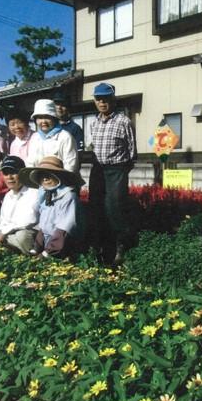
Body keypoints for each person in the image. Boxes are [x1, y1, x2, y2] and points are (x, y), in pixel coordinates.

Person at [88, 82, 137, 265]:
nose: (102, 102)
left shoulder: (124, 121)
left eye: (106, 99)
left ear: (113, 99)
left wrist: (122, 170)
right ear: (95, 100)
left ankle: (121, 245)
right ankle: (100, 246)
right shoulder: (93, 122)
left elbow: (132, 151)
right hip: (98, 169)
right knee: (96, 206)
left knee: (115, 207)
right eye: (99, 99)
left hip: (117, 169)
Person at [19, 156, 84, 259]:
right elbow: (44, 226)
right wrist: (37, 247)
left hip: (64, 247)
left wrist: (47, 252)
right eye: (42, 175)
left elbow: (64, 229)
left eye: (48, 175)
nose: (45, 179)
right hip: (49, 245)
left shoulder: (69, 197)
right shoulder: (46, 195)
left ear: (58, 176)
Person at [0, 156, 40, 255]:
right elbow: (3, 222)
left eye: (13, 172)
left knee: (22, 236)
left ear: (23, 174)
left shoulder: (34, 192)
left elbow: (28, 221)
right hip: (10, 234)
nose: (9, 177)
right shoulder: (8, 195)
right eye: (6, 173)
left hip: (29, 232)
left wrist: (4, 234)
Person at [26, 99, 78, 172]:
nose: (43, 121)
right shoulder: (34, 137)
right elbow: (30, 163)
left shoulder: (65, 137)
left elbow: (70, 166)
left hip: (61, 180)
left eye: (47, 117)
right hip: (38, 180)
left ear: (54, 118)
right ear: (35, 120)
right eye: (40, 118)